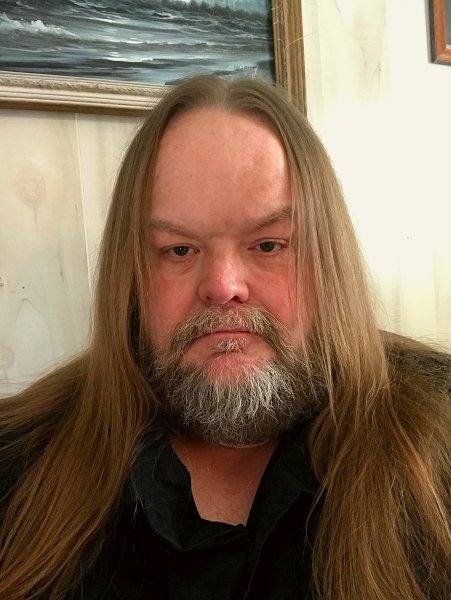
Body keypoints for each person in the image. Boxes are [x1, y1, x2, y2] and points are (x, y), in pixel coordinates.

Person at [0, 75, 449, 600]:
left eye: (269, 245)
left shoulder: (438, 440)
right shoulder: (18, 462)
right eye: (179, 250)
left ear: (330, 258)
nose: (223, 286)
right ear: (131, 277)